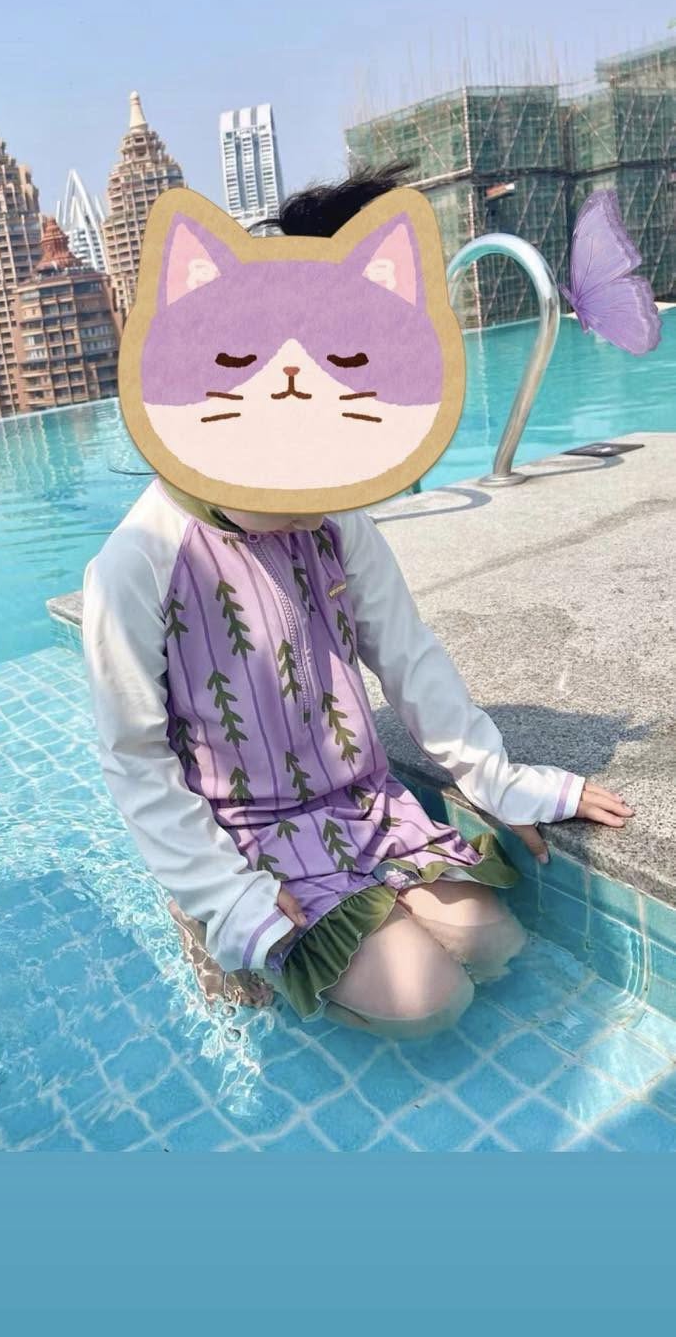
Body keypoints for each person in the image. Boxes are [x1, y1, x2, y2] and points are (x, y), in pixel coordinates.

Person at [82, 168, 633, 1040]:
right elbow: (135, 758)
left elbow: (408, 655)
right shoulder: (138, 562)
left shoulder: (336, 522)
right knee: (429, 1001)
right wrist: (228, 900)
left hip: (359, 805)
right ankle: (201, 914)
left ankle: (368, 909)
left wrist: (500, 780)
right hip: (243, 833)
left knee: (494, 946)